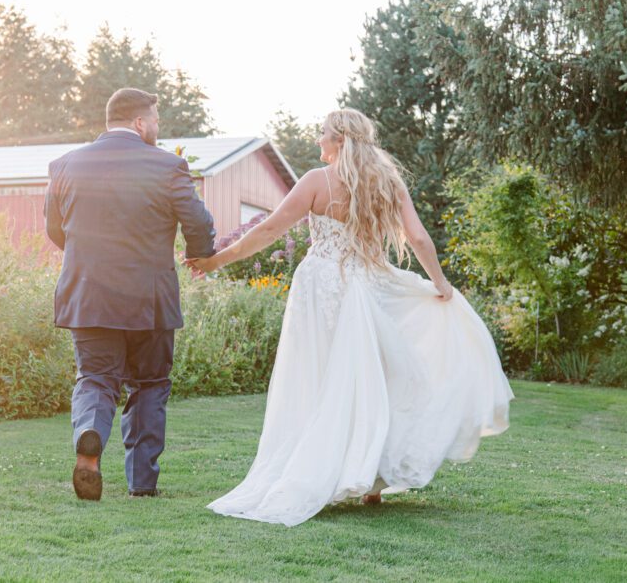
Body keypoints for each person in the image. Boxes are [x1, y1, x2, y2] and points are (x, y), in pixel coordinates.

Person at [186, 107, 514, 526]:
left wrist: (218, 261)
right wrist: (440, 282)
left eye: (323, 133)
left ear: (339, 139)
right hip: (368, 286)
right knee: (372, 377)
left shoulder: (315, 182)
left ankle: (332, 472)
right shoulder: (387, 181)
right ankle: (370, 480)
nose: (318, 140)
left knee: (318, 378)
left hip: (322, 287)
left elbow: (270, 230)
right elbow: (416, 236)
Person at [45, 87, 216, 500]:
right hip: (150, 300)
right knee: (150, 384)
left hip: (88, 296)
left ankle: (90, 433)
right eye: (155, 120)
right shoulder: (169, 166)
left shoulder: (65, 165)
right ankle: (142, 482)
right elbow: (197, 221)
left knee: (96, 378)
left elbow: (55, 229)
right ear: (140, 122)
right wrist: (200, 254)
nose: (157, 128)